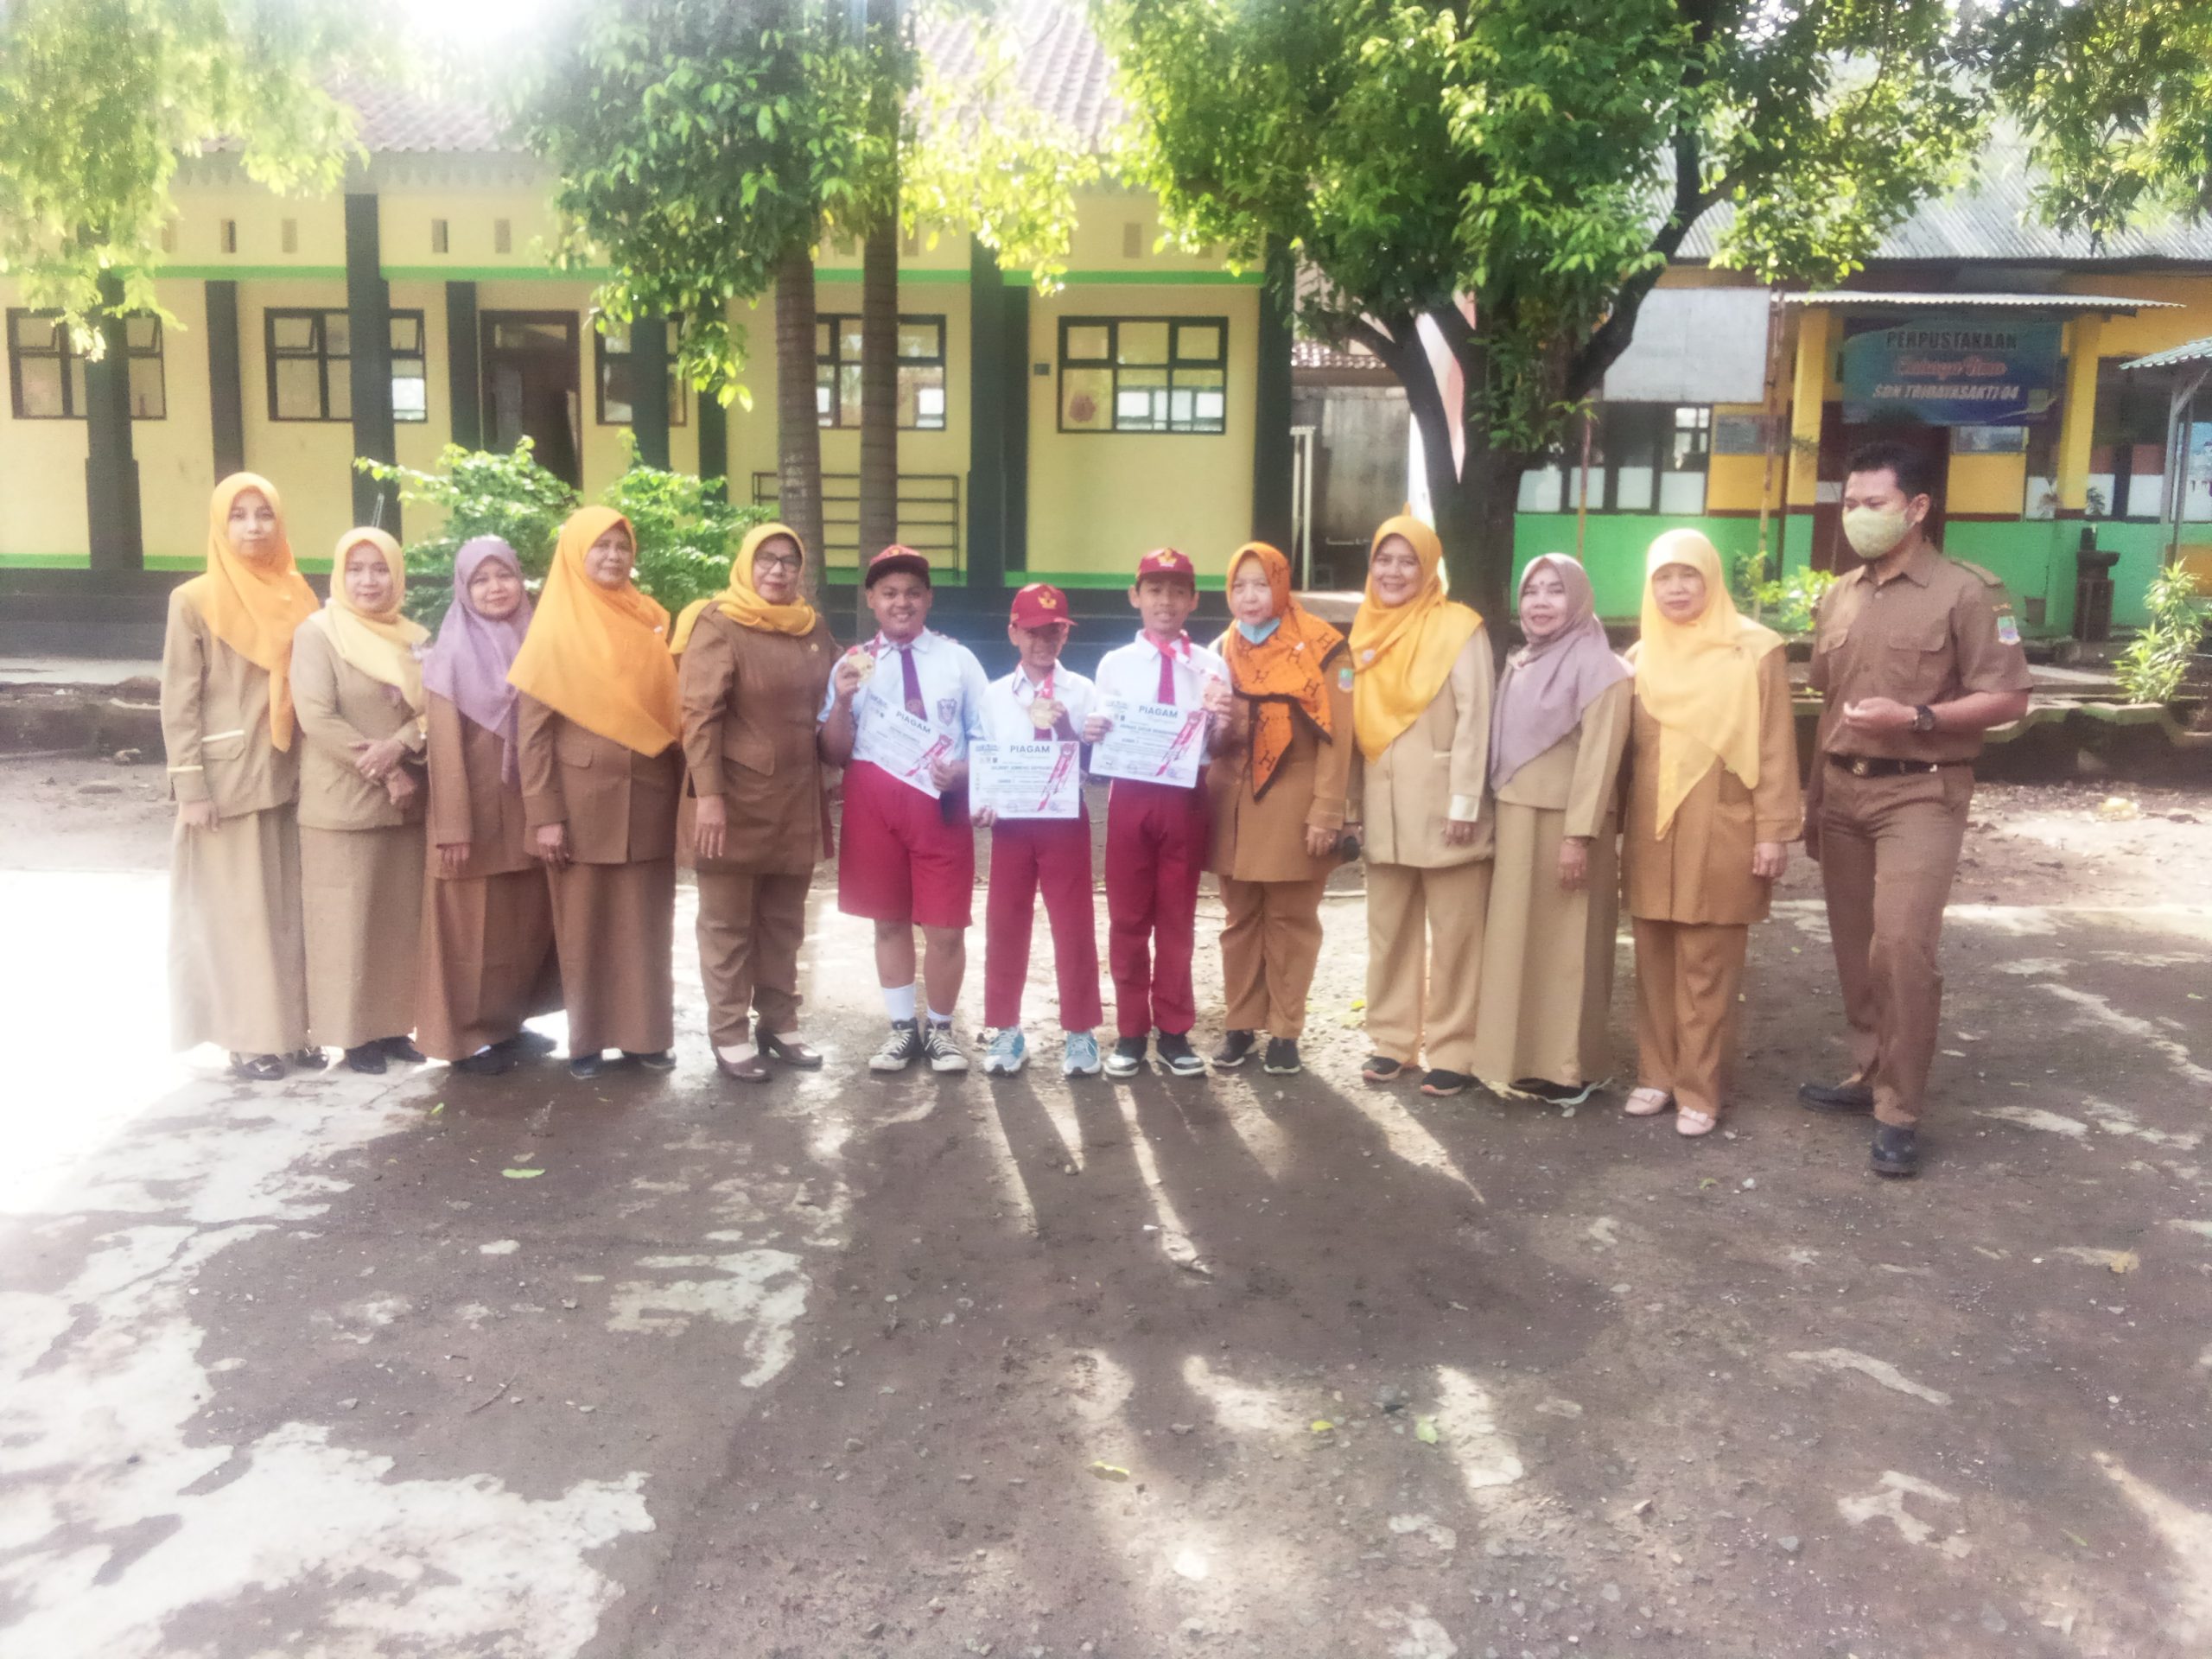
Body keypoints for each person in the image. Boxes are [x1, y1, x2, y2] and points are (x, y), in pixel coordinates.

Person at [1799, 441, 2033, 1177]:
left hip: (1922, 790)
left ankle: (1899, 1109)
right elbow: (1831, 704)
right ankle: (1868, 1070)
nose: (1857, 516)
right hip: (1842, 788)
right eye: (1850, 503)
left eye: (1875, 503)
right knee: (1854, 944)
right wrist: (1813, 801)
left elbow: (2011, 697)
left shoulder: (1968, 593)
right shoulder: (1839, 595)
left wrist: (1917, 718)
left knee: (1900, 946)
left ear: (1917, 507)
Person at [1621, 529, 1802, 1136]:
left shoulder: (1756, 651)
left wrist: (1772, 831)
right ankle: (1655, 1073)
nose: (1676, 588)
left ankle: (1699, 1089)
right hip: (1653, 828)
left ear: (1711, 578)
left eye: (1688, 575)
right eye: (1663, 577)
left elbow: (1775, 745)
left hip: (1725, 823)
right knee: (1652, 955)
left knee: (1708, 961)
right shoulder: (1641, 658)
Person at [508, 506, 683, 1078]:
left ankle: (646, 1038)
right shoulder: (553, 630)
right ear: (576, 554)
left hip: (650, 795)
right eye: (600, 546)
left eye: (621, 546)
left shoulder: (649, 620)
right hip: (578, 806)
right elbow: (533, 736)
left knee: (646, 924)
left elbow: (671, 713)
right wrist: (545, 816)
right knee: (582, 926)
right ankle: (587, 1042)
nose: (612, 556)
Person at [161, 473, 321, 1079]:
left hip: (295, 776)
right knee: (239, 917)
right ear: (220, 525)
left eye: (264, 514)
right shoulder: (194, 600)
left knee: (291, 913)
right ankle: (249, 1039)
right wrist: (190, 788)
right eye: (239, 515)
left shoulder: (298, 593)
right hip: (228, 784)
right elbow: (179, 699)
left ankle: (295, 1031)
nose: (253, 527)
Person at [672, 521, 839, 1084]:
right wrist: (709, 796)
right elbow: (698, 717)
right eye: (766, 558)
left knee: (784, 922)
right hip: (733, 801)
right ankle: (728, 1033)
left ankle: (779, 1022)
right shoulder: (720, 622)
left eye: (789, 560)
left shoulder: (811, 627)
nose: (777, 570)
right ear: (747, 563)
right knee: (727, 926)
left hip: (796, 796)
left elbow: (839, 689)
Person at [819, 544, 991, 1075]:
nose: (902, 602)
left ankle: (940, 1030)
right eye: (889, 593)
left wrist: (964, 773)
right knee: (888, 921)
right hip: (874, 803)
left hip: (940, 805)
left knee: (945, 928)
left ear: (929, 599)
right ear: (871, 599)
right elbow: (833, 752)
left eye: (913, 593)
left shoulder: (959, 660)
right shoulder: (853, 664)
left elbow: (988, 737)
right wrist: (842, 700)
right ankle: (901, 1030)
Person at [1470, 555, 1633, 1103]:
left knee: (1568, 949)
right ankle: (1525, 1058)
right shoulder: (1523, 663)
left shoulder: (1602, 668)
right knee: (1520, 946)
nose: (1540, 602)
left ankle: (1573, 1068)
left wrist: (1578, 838)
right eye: (1531, 591)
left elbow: (1600, 762)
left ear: (1579, 599)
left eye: (1555, 591)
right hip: (1518, 821)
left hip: (1568, 829)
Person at [1348, 516, 1493, 1098]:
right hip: (1382, 808)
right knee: (1387, 934)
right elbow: (1351, 730)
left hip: (1445, 810)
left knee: (1456, 937)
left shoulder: (1459, 627)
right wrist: (1351, 806)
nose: (1394, 572)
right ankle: (1391, 1041)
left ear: (1429, 566)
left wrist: (1465, 803)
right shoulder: (1363, 630)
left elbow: (1477, 719)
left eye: (1408, 561)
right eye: (1384, 559)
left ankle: (1455, 1049)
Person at [1205, 540, 1354, 1077]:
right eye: (1239, 586)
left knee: (1292, 920)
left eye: (1261, 584)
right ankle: (1241, 1024)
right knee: (1239, 919)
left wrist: (1328, 812)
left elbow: (1340, 737)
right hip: (1231, 804)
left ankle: (1286, 1030)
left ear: (1282, 584)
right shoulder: (1219, 649)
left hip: (1295, 802)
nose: (1249, 597)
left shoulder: (1325, 647)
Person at [416, 536, 562, 1077]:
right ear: (463, 588)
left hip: (527, 808)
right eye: (481, 580)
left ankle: (504, 1026)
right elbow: (444, 751)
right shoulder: (449, 654)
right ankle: (462, 1040)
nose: (495, 588)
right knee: (468, 929)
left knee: (519, 926)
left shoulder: (540, 643)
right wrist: (453, 827)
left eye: (505, 576)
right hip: (474, 817)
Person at [1088, 548, 1235, 1079]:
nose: (1165, 602)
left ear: (1194, 600)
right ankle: (1130, 1031)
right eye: (1154, 590)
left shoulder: (1212, 666)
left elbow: (1219, 746)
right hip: (1131, 796)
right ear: (1136, 597)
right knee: (1128, 917)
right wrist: (1093, 733)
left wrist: (1222, 723)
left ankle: (1174, 1031)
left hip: (1186, 797)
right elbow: (1101, 736)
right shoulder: (1115, 664)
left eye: (1177, 591)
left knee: (1176, 918)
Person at [291, 527, 432, 1073]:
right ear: (339, 575)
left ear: (396, 575)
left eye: (380, 569)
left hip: (405, 805)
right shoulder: (317, 633)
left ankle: (394, 1026)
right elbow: (317, 717)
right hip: (342, 803)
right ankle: (353, 1036)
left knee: (397, 922)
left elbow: (433, 710)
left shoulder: (415, 637)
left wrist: (402, 745)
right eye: (356, 570)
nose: (368, 581)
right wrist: (385, 769)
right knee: (345, 922)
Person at [972, 582, 1103, 1080]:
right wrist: (982, 803)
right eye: (1032, 632)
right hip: (1012, 825)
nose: (1043, 642)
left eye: (1054, 632)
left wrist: (1070, 729)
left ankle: (1080, 1029)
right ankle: (1005, 1027)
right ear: (1013, 633)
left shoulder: (1082, 690)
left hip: (1064, 821)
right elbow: (985, 757)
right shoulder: (994, 695)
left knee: (1073, 923)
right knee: (1005, 922)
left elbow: (1094, 766)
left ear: (1065, 635)